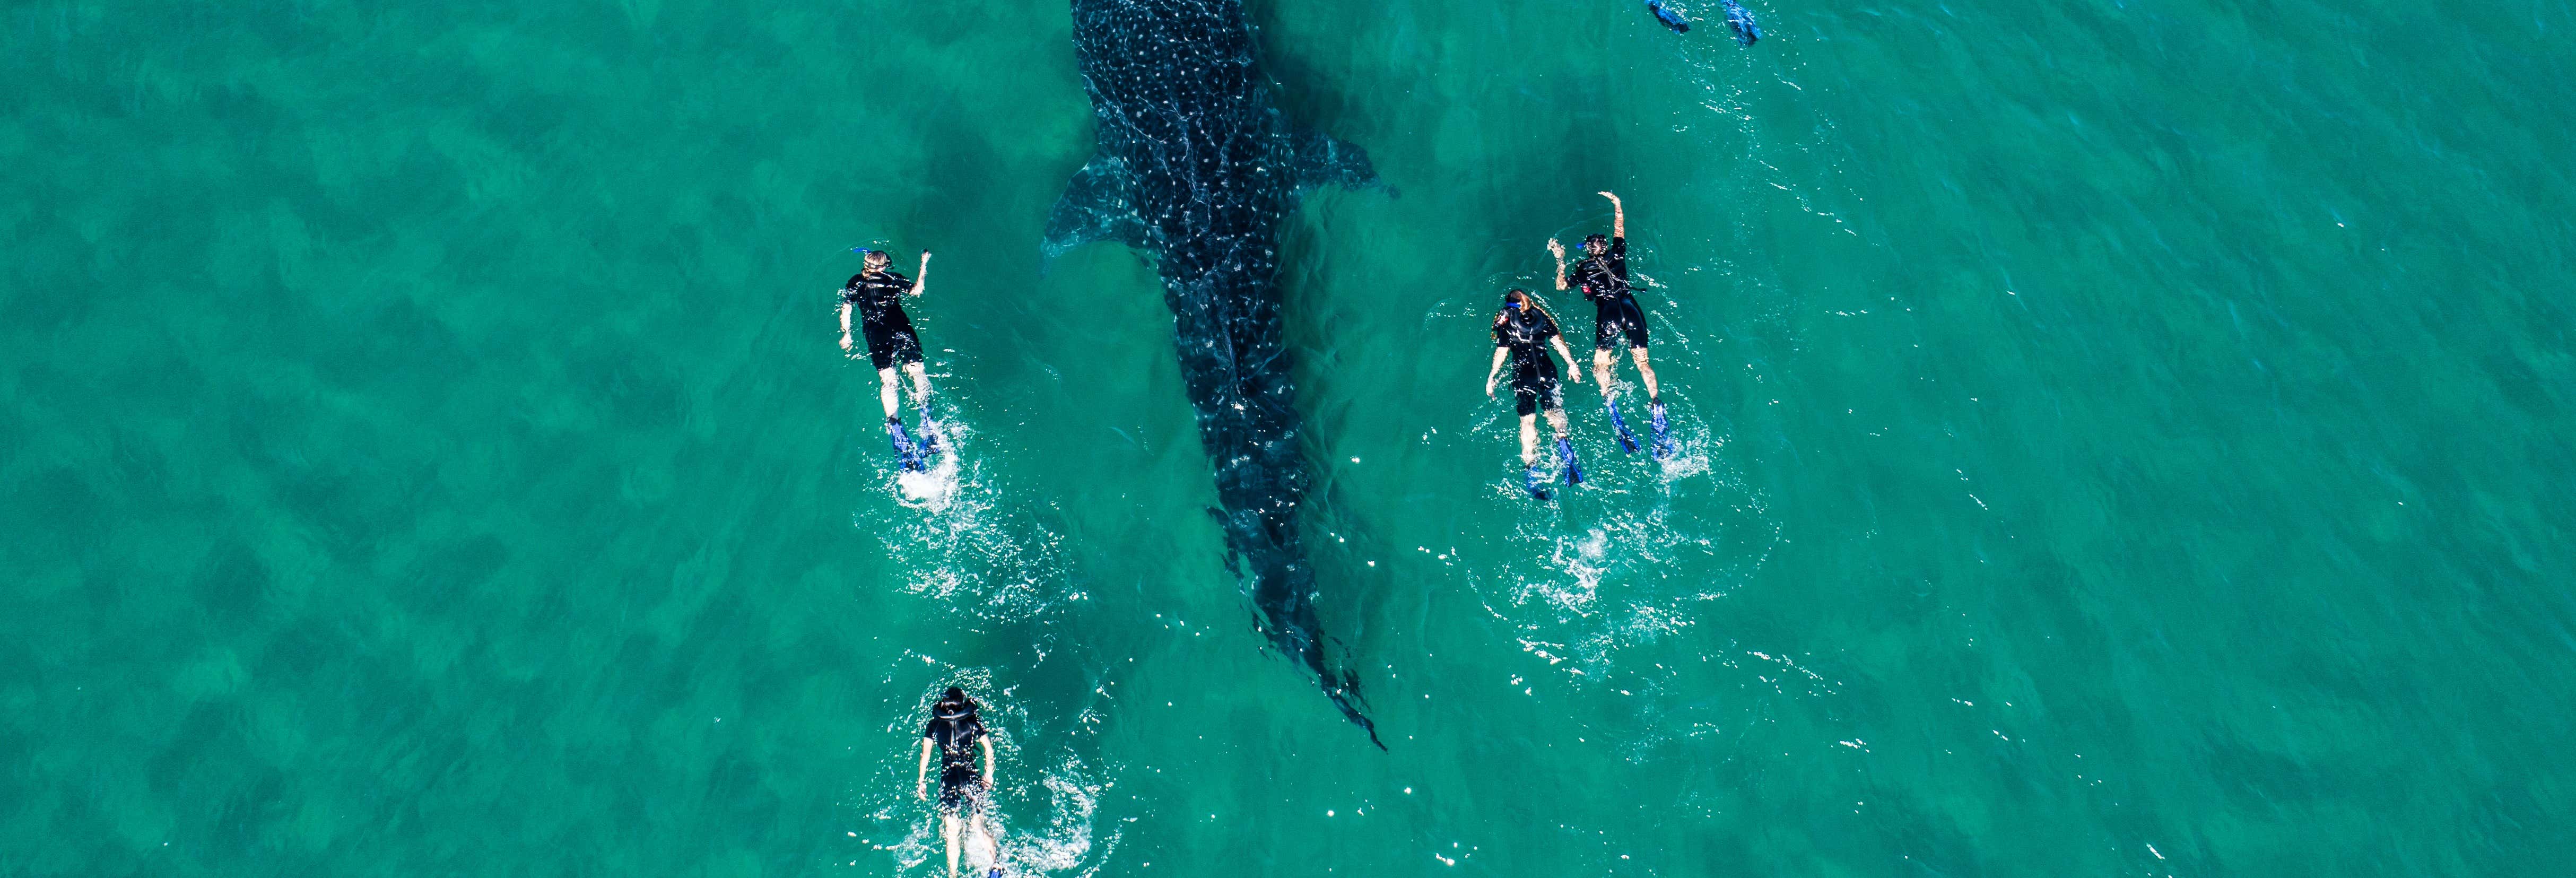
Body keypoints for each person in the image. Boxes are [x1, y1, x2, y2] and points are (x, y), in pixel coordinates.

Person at [1485, 289, 1586, 494]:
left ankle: (1531, 466)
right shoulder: (1541, 318)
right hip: (1547, 370)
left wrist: (1492, 376)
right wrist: (1572, 364)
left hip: (1524, 375)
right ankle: (1563, 438)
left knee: (1528, 421)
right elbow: (1558, 342)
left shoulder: (1507, 323)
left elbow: (1502, 352)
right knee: (1554, 410)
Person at [841, 249, 938, 444]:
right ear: (884, 266)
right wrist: (924, 264)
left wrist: (847, 334)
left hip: (876, 335)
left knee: (889, 382)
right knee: (917, 372)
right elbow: (917, 291)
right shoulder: (892, 279)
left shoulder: (854, 282)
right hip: (900, 329)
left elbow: (847, 308)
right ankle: (926, 414)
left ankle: (894, 423)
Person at [915, 687, 997, 878]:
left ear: (946, 705)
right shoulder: (972, 722)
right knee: (977, 824)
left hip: (949, 777)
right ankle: (996, 864)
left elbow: (925, 755)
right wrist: (989, 775)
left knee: (952, 831)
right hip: (970, 775)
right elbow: (989, 750)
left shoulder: (934, 725)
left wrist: (921, 781)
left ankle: (953, 876)